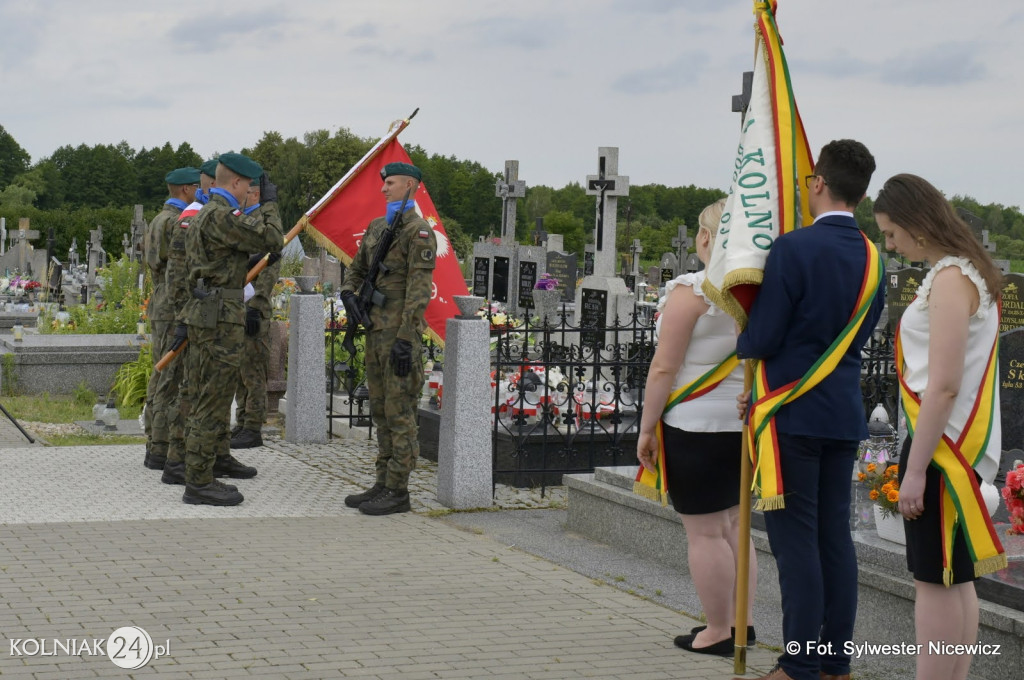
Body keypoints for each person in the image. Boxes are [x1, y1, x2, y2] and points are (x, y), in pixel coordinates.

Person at [734, 139, 884, 680]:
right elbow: (861, 333)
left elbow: (766, 333)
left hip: (791, 414)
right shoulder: (874, 256)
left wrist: (743, 336)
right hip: (841, 412)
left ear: (817, 183)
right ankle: (835, 662)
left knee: (795, 543)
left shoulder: (793, 248)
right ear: (862, 194)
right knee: (833, 540)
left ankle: (799, 665)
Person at [874, 174, 1005, 680]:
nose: (890, 244)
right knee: (956, 579)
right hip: (949, 443)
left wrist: (915, 470)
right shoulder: (961, 272)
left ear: (916, 224)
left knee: (933, 581)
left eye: (890, 232)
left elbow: (944, 384)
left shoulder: (952, 279)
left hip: (941, 445)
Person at [636, 198, 756, 657]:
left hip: (694, 425)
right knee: (733, 529)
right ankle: (741, 623)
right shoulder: (756, 291)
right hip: (741, 425)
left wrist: (647, 428)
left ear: (706, 237)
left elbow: (664, 369)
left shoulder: (692, 291)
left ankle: (718, 630)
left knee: (705, 534)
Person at [178, 153, 282, 505]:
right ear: (235, 183)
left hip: (208, 310)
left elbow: (228, 257)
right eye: (248, 187)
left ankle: (205, 468)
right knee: (214, 398)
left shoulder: (205, 213)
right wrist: (269, 206)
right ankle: (199, 481)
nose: (249, 193)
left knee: (208, 394)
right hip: (220, 315)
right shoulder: (221, 215)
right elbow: (271, 239)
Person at [340, 162, 436, 516]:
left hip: (399, 336)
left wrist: (407, 338)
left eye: (391, 183)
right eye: (384, 183)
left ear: (410, 185)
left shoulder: (419, 232)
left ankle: (399, 489)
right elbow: (357, 269)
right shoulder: (378, 227)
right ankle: (382, 482)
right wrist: (349, 294)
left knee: (400, 412)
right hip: (376, 332)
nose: (384, 189)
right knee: (380, 411)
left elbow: (418, 291)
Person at [161, 159, 260, 486]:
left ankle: (216, 454)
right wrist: (183, 317)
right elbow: (178, 276)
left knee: (209, 391)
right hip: (202, 316)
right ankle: (181, 460)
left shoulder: (212, 217)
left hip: (209, 313)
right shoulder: (195, 218)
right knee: (196, 393)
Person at [142, 166, 199, 471]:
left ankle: (154, 439)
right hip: (171, 304)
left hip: (159, 302)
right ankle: (161, 446)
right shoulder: (176, 222)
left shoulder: (156, 220)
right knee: (169, 375)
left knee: (159, 374)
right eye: (196, 187)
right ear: (185, 190)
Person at [230, 179, 283, 450]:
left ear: (255, 194)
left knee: (253, 373)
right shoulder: (244, 221)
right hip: (237, 307)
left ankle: (253, 427)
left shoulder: (265, 224)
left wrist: (257, 305)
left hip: (253, 310)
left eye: (245, 191)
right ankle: (241, 423)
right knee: (241, 371)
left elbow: (269, 269)